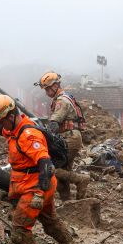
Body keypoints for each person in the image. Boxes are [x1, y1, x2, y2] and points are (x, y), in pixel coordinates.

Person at [0, 95, 86, 244]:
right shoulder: (15, 128)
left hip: (36, 188)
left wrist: (39, 194)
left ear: (11, 115)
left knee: (19, 230)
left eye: (2, 120)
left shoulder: (29, 135)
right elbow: (1, 129)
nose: (1, 124)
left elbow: (47, 165)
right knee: (51, 223)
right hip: (35, 185)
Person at [37, 72, 91, 200]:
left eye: (48, 89)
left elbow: (54, 124)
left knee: (52, 167)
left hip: (69, 138)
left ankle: (81, 180)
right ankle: (69, 203)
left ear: (55, 86)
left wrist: (44, 137)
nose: (46, 92)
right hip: (70, 137)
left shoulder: (61, 100)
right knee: (63, 173)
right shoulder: (64, 97)